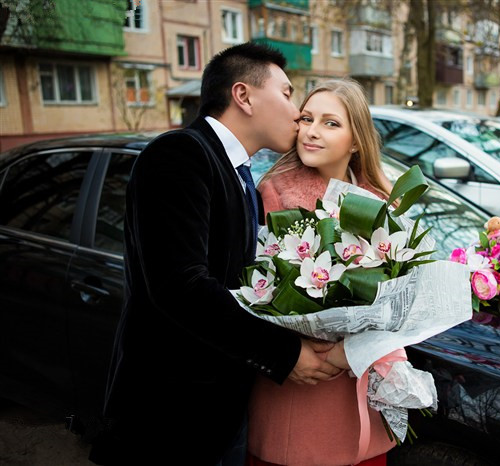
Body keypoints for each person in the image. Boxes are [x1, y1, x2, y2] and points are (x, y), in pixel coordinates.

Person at [89, 42, 342, 466]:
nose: (297, 111)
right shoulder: (180, 155)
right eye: (286, 93)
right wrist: (283, 353)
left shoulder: (241, 174)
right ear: (243, 96)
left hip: (220, 412)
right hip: (169, 419)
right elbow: (180, 287)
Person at [248, 79, 396, 466]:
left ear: (356, 140)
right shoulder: (274, 192)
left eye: (331, 123)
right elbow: (260, 293)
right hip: (302, 381)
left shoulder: (380, 198)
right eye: (307, 118)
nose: (311, 131)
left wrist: (355, 352)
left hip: (359, 381)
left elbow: (398, 294)